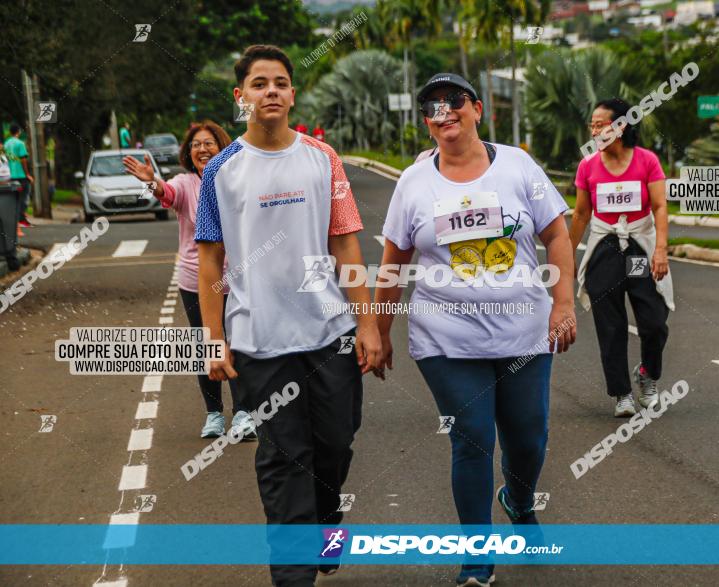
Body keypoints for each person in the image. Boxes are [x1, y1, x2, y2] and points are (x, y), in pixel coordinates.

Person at [375, 72, 576, 587]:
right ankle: (477, 555)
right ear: (426, 122)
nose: (444, 112)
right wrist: (376, 333)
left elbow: (556, 232)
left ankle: (519, 498)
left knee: (528, 438)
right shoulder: (413, 183)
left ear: (478, 109)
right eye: (432, 106)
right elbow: (393, 263)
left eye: (454, 101)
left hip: (525, 335)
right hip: (446, 341)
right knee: (472, 440)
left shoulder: (518, 166)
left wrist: (563, 304)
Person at [195, 44, 381, 587]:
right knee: (283, 457)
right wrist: (213, 339)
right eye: (259, 83)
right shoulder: (221, 171)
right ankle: (292, 574)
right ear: (241, 96)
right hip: (259, 340)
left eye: (280, 82)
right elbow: (210, 260)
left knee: (336, 443)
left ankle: (327, 523)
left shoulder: (322, 158)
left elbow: (346, 245)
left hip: (330, 334)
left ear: (292, 93)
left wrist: (367, 324)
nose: (270, 91)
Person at [123, 121, 257, 440]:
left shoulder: (239, 180)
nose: (202, 149)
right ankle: (213, 415)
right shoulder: (184, 183)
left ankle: (242, 414)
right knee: (206, 344)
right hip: (195, 279)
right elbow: (166, 193)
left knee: (239, 343)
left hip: (239, 277)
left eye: (209, 143)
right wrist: (152, 182)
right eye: (196, 145)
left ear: (223, 148)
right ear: (188, 153)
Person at [568, 98, 674, 418]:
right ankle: (622, 394)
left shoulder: (646, 161)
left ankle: (647, 374)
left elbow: (659, 207)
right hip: (606, 248)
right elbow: (582, 213)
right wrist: (567, 255)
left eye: (601, 124)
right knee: (610, 326)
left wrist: (660, 250)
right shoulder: (588, 166)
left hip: (639, 248)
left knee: (653, 321)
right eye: (593, 125)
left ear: (621, 126)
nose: (595, 130)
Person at [4, 124, 33, 228]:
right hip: (21, 175)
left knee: (13, 198)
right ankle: (21, 219)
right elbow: (23, 159)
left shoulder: (6, 144)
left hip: (10, 175)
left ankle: (16, 219)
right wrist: (27, 174)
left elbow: (6, 159)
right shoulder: (20, 143)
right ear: (18, 132)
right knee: (25, 197)